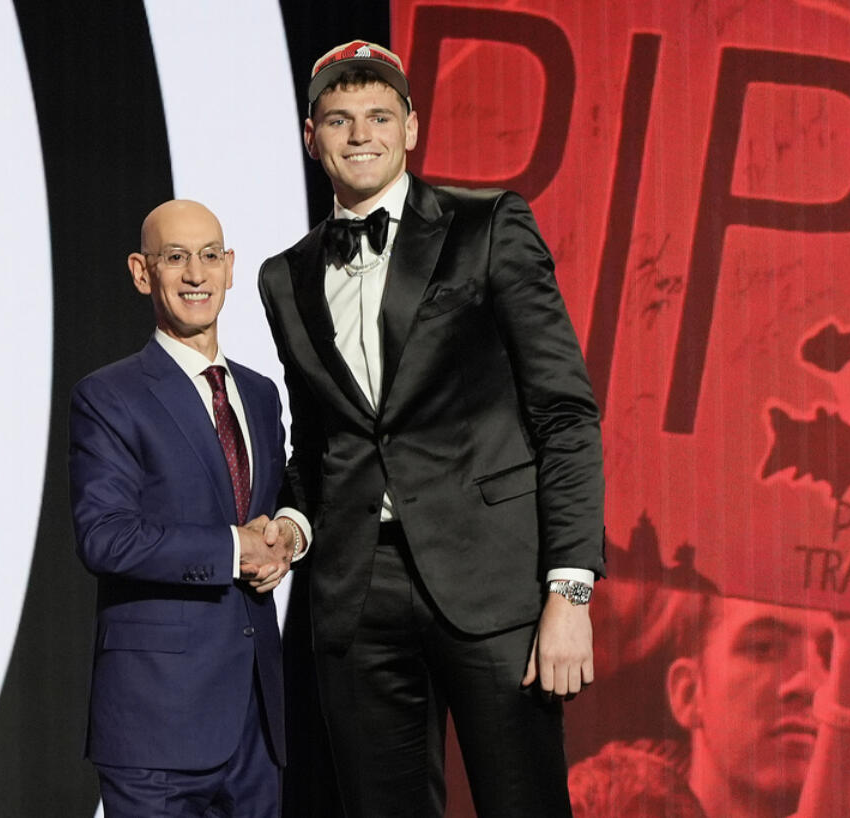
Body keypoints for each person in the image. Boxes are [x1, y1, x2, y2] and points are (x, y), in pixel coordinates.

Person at [258, 40, 605, 817]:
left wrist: (570, 590)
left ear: (410, 127)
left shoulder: (488, 225)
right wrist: (290, 522)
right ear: (308, 135)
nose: (360, 136)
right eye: (339, 119)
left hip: (493, 585)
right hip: (356, 594)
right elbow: (319, 442)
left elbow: (565, 412)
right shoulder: (284, 275)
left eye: (379, 116)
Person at [70, 200, 308, 818]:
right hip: (156, 727)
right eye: (175, 258)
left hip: (258, 723)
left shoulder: (258, 393)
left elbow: (277, 504)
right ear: (142, 272)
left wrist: (285, 534)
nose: (196, 274)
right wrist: (235, 549)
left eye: (209, 256)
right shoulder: (108, 396)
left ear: (231, 268)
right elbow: (105, 537)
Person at [570, 593, 850, 818]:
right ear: (689, 692)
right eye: (764, 648)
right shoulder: (603, 802)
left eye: (834, 657)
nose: (809, 684)